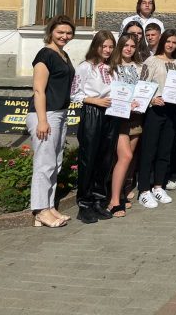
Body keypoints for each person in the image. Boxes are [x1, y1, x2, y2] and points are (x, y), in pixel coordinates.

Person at [27, 15, 76, 228]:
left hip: (60, 113)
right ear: (51, 32)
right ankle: (40, 211)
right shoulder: (45, 54)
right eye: (60, 32)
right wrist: (42, 120)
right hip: (45, 114)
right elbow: (39, 89)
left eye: (68, 32)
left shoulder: (63, 54)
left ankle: (49, 205)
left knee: (55, 162)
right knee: (44, 163)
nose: (64, 36)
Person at [71, 30, 118, 224]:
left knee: (105, 158)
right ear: (96, 46)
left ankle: (99, 200)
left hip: (111, 113)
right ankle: (84, 204)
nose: (107, 50)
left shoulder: (112, 67)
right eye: (103, 46)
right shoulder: (85, 67)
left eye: (110, 46)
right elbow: (74, 94)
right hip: (92, 112)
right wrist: (95, 101)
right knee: (88, 158)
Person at [137, 29, 176, 209]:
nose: (171, 45)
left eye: (174, 42)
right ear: (163, 41)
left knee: (165, 151)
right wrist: (151, 99)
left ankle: (158, 186)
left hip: (172, 111)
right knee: (149, 150)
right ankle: (144, 190)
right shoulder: (152, 61)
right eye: (168, 41)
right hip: (155, 110)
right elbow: (142, 84)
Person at [105, 35, 143, 218]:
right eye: (125, 45)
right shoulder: (111, 67)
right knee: (124, 156)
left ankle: (120, 192)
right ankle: (113, 200)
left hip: (135, 117)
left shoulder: (138, 66)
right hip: (118, 117)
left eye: (132, 46)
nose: (129, 49)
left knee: (128, 159)